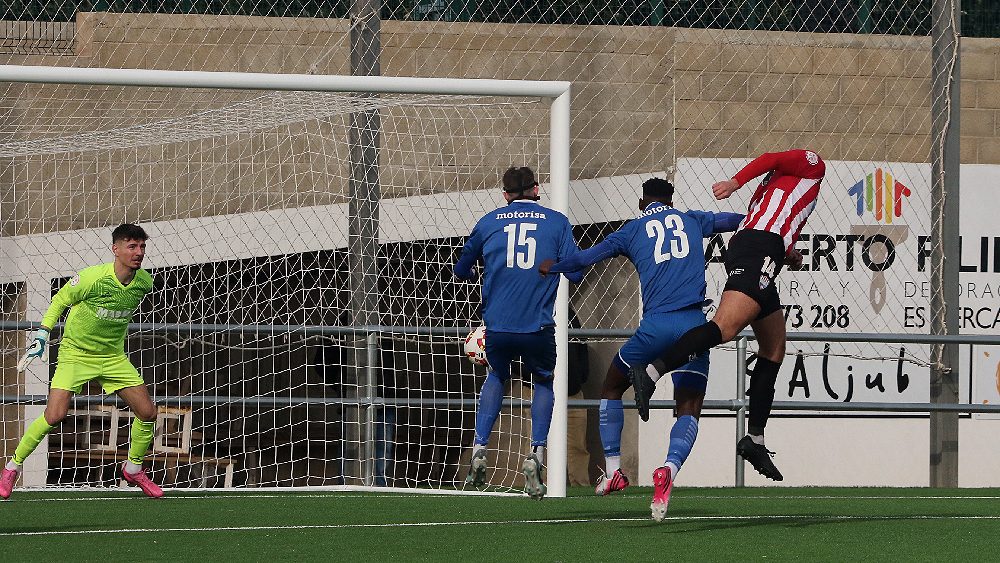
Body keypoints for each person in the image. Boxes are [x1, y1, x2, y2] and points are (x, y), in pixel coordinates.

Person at [541, 177, 743, 521]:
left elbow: (584, 259)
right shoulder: (694, 220)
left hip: (654, 328)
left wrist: (552, 267)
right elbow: (738, 221)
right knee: (689, 407)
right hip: (694, 326)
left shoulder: (632, 230)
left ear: (641, 203)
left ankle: (615, 471)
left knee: (612, 386)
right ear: (671, 199)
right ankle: (668, 469)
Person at [642, 149, 824, 482]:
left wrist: (789, 253)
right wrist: (735, 182)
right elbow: (770, 157)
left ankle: (755, 438)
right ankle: (653, 371)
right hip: (758, 249)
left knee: (773, 348)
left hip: (762, 248)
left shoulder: (775, 191)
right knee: (723, 328)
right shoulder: (812, 164)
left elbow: (771, 220)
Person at [0, 224, 163, 499]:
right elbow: (60, 299)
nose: (138, 252)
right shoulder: (92, 278)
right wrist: (42, 334)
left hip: (112, 357)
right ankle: (11, 468)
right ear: (116, 249)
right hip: (75, 354)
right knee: (55, 415)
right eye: (131, 246)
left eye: (142, 247)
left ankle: (134, 468)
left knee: (147, 412)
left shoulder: (144, 282)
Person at [454, 166, 583, 499]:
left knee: (497, 376)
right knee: (543, 381)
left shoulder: (488, 221)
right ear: (536, 190)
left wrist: (486, 279)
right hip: (537, 326)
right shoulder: (557, 222)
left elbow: (460, 269)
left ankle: (480, 446)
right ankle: (536, 453)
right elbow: (578, 272)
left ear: (505, 195)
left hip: (497, 325)